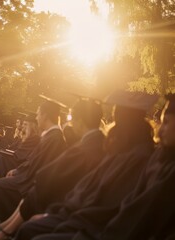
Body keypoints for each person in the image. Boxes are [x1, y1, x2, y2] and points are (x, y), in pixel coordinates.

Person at [15, 90, 158, 240]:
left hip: (95, 225)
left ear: (125, 121)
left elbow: (108, 202)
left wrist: (69, 215)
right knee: (30, 226)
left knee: (32, 232)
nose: (114, 119)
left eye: (117, 115)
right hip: (80, 213)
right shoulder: (120, 150)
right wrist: (58, 211)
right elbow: (89, 186)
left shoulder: (138, 157)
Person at [0, 98, 106, 240]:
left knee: (22, 191)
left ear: (80, 121)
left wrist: (33, 178)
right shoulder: (96, 143)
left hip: (64, 194)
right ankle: (3, 230)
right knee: (31, 192)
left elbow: (52, 168)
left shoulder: (82, 145)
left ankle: (4, 231)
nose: (71, 124)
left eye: (73, 119)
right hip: (60, 188)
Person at [74, 93, 175, 240]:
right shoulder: (157, 159)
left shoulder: (144, 158)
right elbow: (130, 204)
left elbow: (137, 215)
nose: (159, 131)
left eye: (166, 122)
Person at [0, 97, 67, 221]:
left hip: (37, 181)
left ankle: (7, 223)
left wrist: (18, 172)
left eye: (38, 114)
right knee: (0, 181)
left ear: (45, 116)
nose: (36, 117)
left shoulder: (54, 137)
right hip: (31, 175)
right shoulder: (51, 135)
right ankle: (7, 225)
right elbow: (35, 160)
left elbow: (40, 164)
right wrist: (18, 171)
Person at [0, 113, 40, 179]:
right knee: (1, 156)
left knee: (1, 157)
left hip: (22, 163)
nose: (23, 126)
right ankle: (1, 178)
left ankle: (1, 178)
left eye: (25, 124)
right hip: (20, 159)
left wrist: (12, 153)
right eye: (23, 124)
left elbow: (21, 155)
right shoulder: (28, 136)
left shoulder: (34, 138)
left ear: (32, 126)